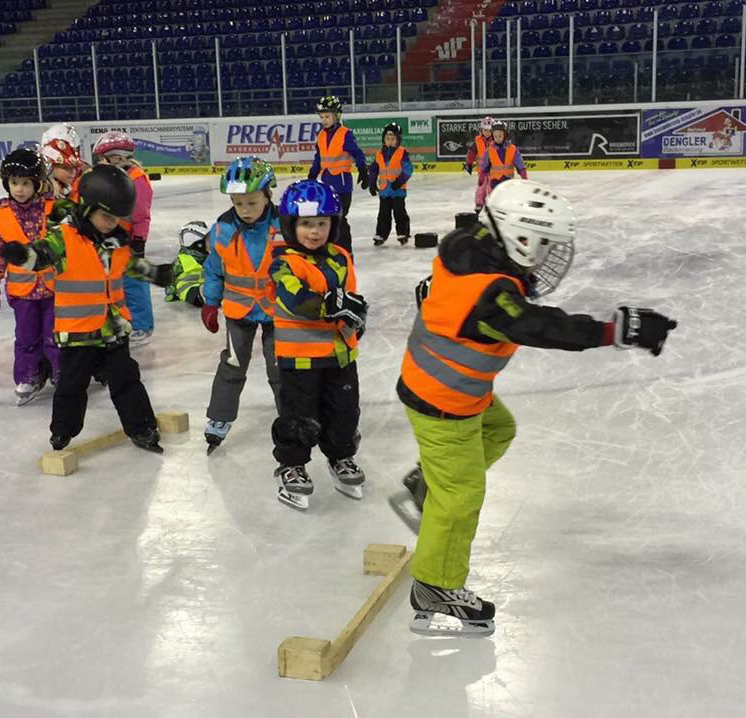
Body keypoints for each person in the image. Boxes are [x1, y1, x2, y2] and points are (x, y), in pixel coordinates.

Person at [396, 179, 677, 637]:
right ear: (519, 238)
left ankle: (428, 480)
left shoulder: (469, 246)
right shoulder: (490, 297)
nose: (548, 256)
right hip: (443, 405)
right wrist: (615, 331)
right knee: (462, 496)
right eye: (543, 244)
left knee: (500, 430)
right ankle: (435, 586)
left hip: (449, 389)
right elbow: (543, 327)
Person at [0, 164, 174, 453]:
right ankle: (62, 431)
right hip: (78, 333)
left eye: (117, 217)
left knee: (127, 380)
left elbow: (130, 266)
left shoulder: (117, 242)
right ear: (87, 207)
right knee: (71, 386)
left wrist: (157, 274)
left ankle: (142, 427)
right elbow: (39, 257)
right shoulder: (64, 239)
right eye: (106, 216)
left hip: (113, 330)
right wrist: (21, 255)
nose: (111, 222)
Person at [269, 180, 368, 511]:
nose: (315, 231)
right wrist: (333, 304)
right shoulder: (283, 262)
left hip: (340, 357)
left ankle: (341, 456)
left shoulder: (340, 257)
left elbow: (351, 297)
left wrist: (357, 315)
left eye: (322, 223)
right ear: (291, 225)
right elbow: (297, 300)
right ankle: (293, 464)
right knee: (299, 418)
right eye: (306, 224)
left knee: (344, 414)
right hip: (299, 360)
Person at [200, 157, 281, 455]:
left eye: (252, 203)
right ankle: (219, 418)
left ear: (267, 195)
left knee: (280, 368)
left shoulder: (282, 224)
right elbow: (213, 269)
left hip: (276, 311)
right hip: (238, 310)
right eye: (238, 204)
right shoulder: (222, 229)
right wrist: (210, 302)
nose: (245, 211)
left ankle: (292, 415)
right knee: (232, 365)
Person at [0, 148, 60, 405]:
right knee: (27, 337)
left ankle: (61, 372)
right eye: (14, 183)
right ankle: (28, 375)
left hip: (54, 289)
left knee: (56, 335)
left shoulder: (52, 210)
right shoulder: (2, 217)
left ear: (37, 184)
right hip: (23, 293)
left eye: (26, 183)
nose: (19, 189)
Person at [92, 131, 155, 345]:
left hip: (129, 241)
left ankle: (142, 325)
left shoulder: (136, 179)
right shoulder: (113, 176)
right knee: (117, 283)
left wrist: (138, 241)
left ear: (118, 157)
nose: (100, 163)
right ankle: (124, 321)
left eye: (103, 158)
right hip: (112, 239)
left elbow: (141, 214)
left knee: (134, 282)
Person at [308, 96, 368, 254]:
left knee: (339, 219)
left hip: (342, 185)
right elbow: (318, 158)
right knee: (328, 218)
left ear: (337, 115)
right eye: (321, 117)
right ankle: (330, 249)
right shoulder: (321, 135)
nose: (324, 120)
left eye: (327, 116)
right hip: (326, 183)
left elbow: (357, 153)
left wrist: (363, 170)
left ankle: (346, 251)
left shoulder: (345, 134)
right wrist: (312, 175)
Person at [367, 122, 413, 247]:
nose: (390, 141)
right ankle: (381, 234)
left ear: (398, 140)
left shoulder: (402, 152)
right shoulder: (379, 153)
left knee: (399, 212)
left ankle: (403, 233)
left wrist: (399, 182)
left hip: (398, 190)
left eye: (393, 139)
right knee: (383, 214)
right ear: (384, 139)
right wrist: (371, 182)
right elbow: (374, 169)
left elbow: (408, 169)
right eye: (387, 139)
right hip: (384, 190)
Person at [163, 220, 210, 308]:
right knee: (192, 293)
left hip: (207, 284)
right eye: (207, 240)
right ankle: (204, 295)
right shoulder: (181, 260)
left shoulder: (208, 256)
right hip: (188, 287)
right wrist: (171, 292)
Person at [477, 120, 527, 196]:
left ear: (505, 135)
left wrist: (522, 172)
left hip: (508, 180)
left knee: (508, 196)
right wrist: (482, 175)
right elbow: (485, 165)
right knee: (494, 196)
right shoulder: (489, 150)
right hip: (495, 181)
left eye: (500, 136)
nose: (498, 138)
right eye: (495, 136)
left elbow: (519, 162)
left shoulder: (512, 148)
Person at [40, 123, 86, 201]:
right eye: (65, 167)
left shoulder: (79, 184)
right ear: (50, 166)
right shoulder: (39, 191)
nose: (71, 172)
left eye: (74, 167)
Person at [464, 116, 494, 220]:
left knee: (492, 187)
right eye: (485, 130)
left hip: (494, 170)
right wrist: (468, 163)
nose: (487, 132)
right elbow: (471, 153)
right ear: (482, 130)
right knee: (481, 187)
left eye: (490, 130)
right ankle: (479, 204)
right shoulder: (477, 141)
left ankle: (493, 204)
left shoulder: (497, 140)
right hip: (482, 170)